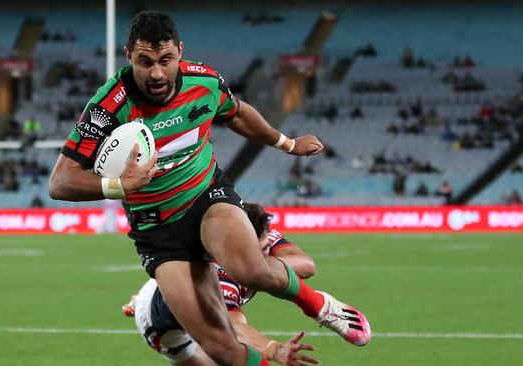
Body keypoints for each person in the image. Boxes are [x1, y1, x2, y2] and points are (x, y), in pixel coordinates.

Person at [49, 11, 370, 365]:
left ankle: (321, 307)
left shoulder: (204, 81)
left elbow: (236, 113)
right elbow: (61, 181)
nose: (157, 73)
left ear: (179, 52)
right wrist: (119, 185)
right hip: (158, 231)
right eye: (145, 62)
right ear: (128, 57)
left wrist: (288, 145)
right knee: (222, 348)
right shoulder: (108, 107)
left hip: (206, 198)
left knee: (251, 269)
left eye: (166, 60)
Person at [122, 203, 326, 366]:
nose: (267, 253)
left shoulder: (258, 235)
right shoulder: (223, 279)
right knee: (228, 354)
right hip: (161, 325)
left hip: (184, 280)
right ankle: (145, 299)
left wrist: (260, 267)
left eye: (267, 248)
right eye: (261, 250)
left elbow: (307, 265)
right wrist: (273, 349)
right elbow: (231, 327)